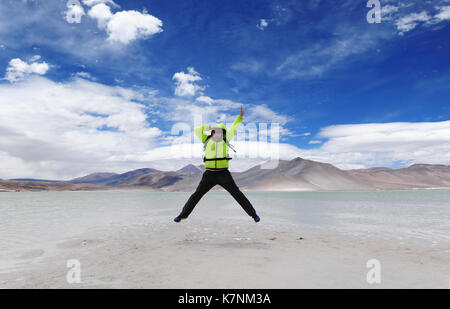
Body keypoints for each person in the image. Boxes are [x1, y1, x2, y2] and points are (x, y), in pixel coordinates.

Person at [174, 105, 260, 223]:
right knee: (196, 195)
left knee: (237, 194)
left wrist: (240, 117)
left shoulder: (226, 139)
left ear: (223, 132)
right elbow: (197, 129)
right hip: (209, 174)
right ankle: (182, 215)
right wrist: (210, 127)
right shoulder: (206, 139)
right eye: (215, 131)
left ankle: (253, 214)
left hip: (224, 174)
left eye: (219, 131)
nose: (217, 133)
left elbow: (235, 127)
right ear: (212, 132)